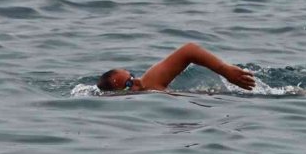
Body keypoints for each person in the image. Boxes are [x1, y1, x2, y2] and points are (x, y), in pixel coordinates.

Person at [97, 42, 255, 93]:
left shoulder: (150, 82)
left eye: (132, 75)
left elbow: (189, 50)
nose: (136, 81)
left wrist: (225, 70)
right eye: (129, 84)